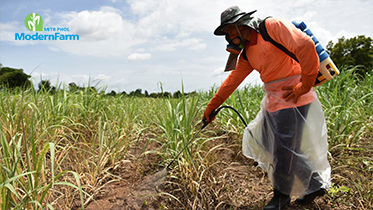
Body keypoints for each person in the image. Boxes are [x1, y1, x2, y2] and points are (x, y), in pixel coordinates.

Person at [203, 6, 331, 210]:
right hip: (275, 101)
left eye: (229, 30)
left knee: (283, 149)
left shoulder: (271, 27)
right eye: (226, 33)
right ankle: (314, 183)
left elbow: (305, 45)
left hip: (295, 97)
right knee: (265, 140)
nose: (228, 36)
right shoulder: (247, 54)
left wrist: (304, 85)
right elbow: (232, 81)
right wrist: (211, 108)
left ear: (240, 23)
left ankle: (281, 196)